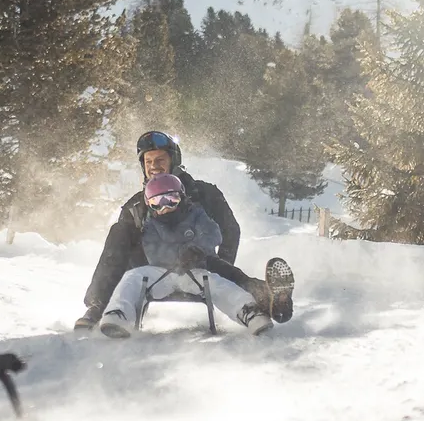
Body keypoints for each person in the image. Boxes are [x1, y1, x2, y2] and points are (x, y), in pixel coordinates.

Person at [76, 131, 292, 331]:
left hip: (199, 264)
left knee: (221, 269)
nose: (154, 166)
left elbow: (230, 230)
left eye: (160, 159)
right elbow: (118, 250)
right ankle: (100, 307)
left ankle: (268, 300)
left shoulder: (204, 193)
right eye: (148, 161)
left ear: (173, 161)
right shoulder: (137, 205)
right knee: (119, 231)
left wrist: (221, 266)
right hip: (151, 269)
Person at [96, 173, 271, 338]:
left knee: (216, 283)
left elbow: (213, 234)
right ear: (149, 204)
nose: (165, 207)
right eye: (157, 202)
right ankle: (118, 314)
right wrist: (176, 256)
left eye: (171, 199)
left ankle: (249, 312)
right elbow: (152, 251)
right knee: (132, 277)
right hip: (160, 274)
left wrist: (197, 250)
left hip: (193, 271)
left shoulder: (195, 214)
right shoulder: (150, 224)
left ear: (182, 197)